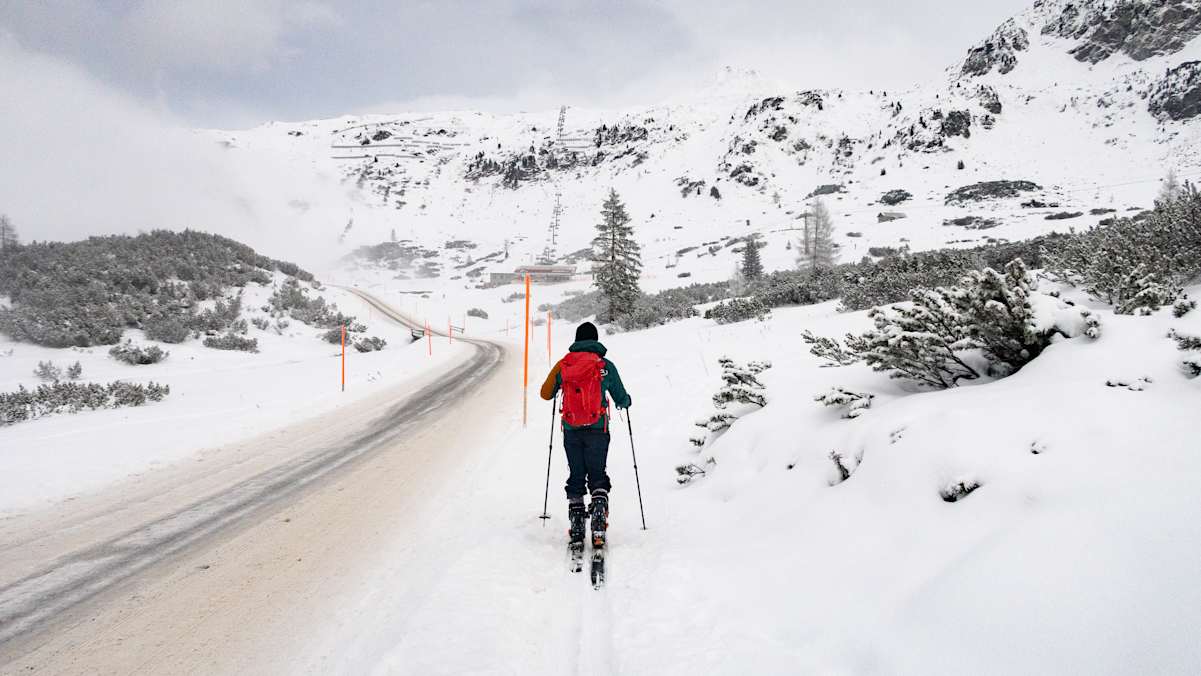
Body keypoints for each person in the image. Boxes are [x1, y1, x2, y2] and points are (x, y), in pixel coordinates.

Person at [540, 321, 631, 548]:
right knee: (597, 474)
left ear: (577, 340)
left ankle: (577, 523)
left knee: (577, 474)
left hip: (572, 431)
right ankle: (599, 516)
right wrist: (625, 401)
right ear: (595, 340)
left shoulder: (564, 364)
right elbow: (620, 396)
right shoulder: (604, 365)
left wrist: (560, 383)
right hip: (598, 429)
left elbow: (545, 393)